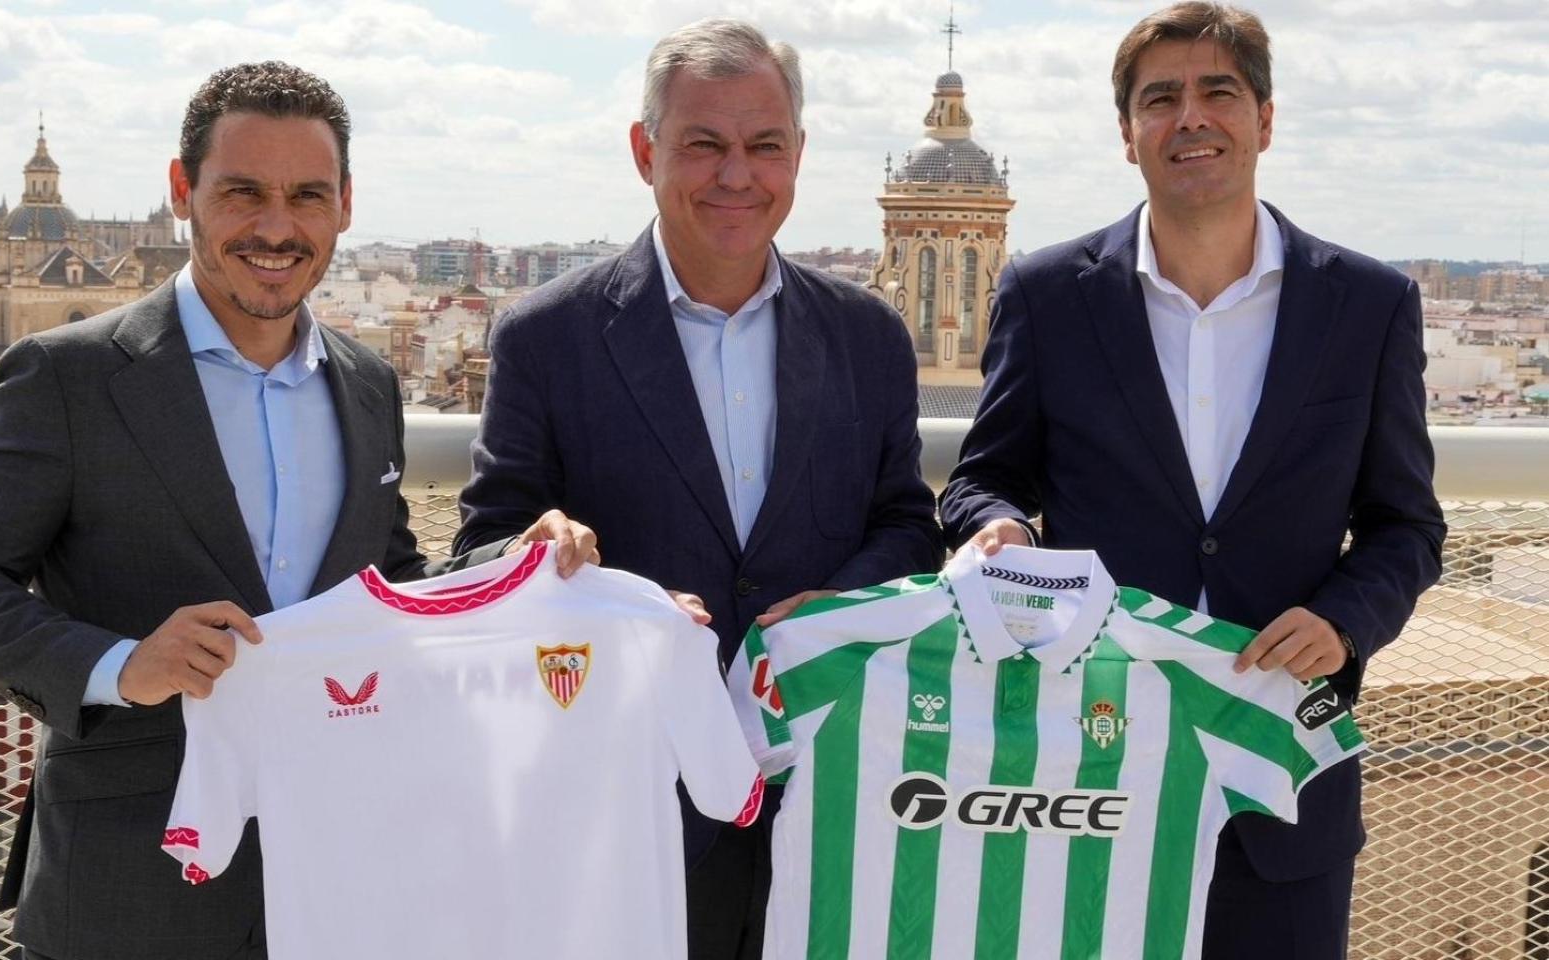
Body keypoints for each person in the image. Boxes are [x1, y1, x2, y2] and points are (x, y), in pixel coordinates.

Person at [0, 61, 596, 960]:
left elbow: (382, 584)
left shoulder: (367, 385)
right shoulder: (67, 375)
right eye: (243, 193)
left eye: (308, 195)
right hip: (129, 889)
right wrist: (123, 664)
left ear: (345, 204)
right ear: (182, 190)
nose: (278, 227)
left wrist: (516, 562)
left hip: (339, 877)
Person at [937, 4, 1446, 957]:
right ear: (1127, 135)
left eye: (1219, 92)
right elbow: (983, 479)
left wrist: (1344, 621)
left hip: (1286, 777)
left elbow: (1406, 527)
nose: (1191, 118)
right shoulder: (1048, 295)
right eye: (1159, 98)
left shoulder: (1370, 305)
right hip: (1078, 773)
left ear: (1265, 118)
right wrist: (998, 526)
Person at [453, 18, 942, 959]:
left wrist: (841, 604)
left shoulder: (869, 337)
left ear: (797, 154)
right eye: (703, 145)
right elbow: (481, 545)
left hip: (830, 796)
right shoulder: (544, 337)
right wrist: (533, 552)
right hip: (628, 801)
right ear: (646, 151)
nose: (736, 174)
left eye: (763, 146)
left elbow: (906, 528)